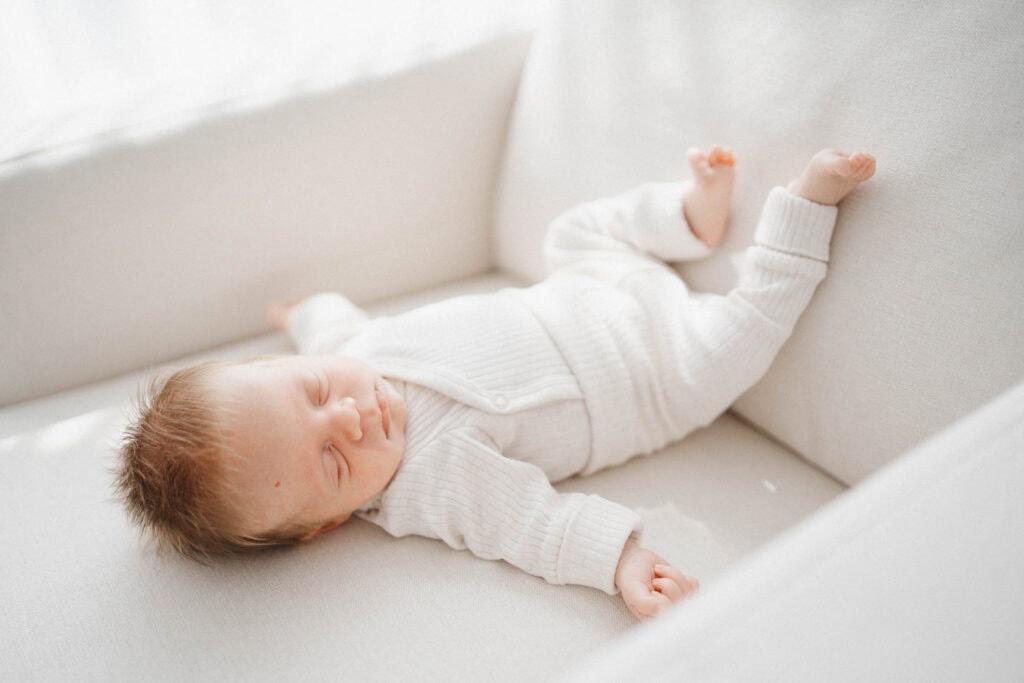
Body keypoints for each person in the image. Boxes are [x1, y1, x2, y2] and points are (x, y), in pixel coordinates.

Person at [116, 146, 876, 620]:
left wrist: (300, 310)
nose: (350, 417)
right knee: (738, 347)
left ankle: (685, 217)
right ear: (329, 524)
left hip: (586, 285)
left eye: (315, 393)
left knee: (573, 231)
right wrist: (622, 561)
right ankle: (804, 207)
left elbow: (327, 328)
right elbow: (534, 525)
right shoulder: (429, 482)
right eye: (333, 463)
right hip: (651, 374)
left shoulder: (348, 349)